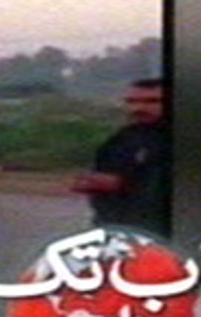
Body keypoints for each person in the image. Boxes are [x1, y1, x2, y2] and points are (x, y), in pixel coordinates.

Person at [71, 78, 169, 237]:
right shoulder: (122, 139)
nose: (139, 108)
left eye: (152, 101)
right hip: (121, 232)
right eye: (132, 102)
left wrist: (125, 185)